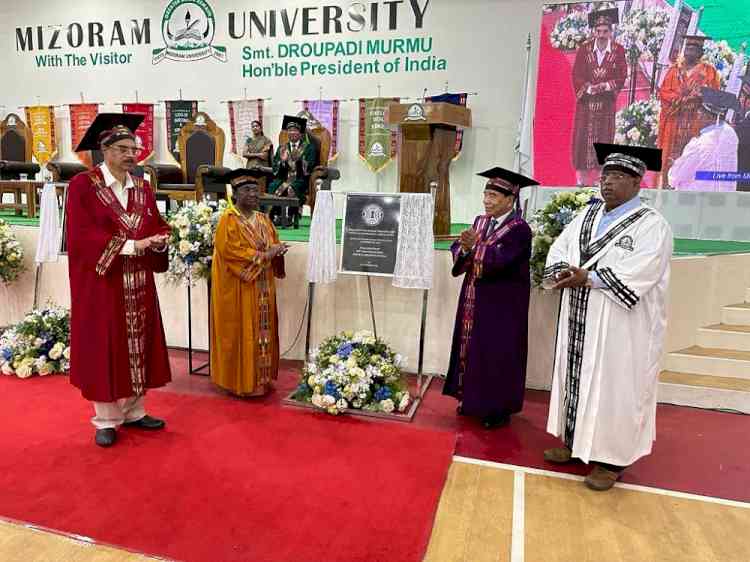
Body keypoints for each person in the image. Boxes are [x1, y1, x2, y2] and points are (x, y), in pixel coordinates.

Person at [542, 143, 672, 491]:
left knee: (615, 386)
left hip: (620, 324)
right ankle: (576, 442)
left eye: (618, 177)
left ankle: (611, 460)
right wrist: (560, 272)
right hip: (579, 315)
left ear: (636, 183)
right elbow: (560, 247)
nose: (608, 183)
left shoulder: (652, 226)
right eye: (605, 175)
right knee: (578, 377)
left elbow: (641, 272)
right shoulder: (586, 216)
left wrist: (589, 278)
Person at [66, 114, 172, 448]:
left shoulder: (142, 187)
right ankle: (107, 419)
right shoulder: (83, 186)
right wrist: (131, 245)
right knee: (106, 347)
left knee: (140, 344)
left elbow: (156, 223)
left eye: (134, 148)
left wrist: (162, 237)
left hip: (138, 283)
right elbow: (81, 236)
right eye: (124, 149)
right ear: (105, 150)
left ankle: (135, 411)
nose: (132, 155)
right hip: (103, 284)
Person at [442, 167, 536, 429]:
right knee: (471, 348)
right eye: (486, 194)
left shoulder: (519, 229)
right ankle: (470, 399)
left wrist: (474, 248)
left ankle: (497, 408)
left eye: (494, 196)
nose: (487, 200)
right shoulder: (480, 222)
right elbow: (460, 249)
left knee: (497, 353)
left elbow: (500, 260)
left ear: (510, 199)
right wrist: (464, 247)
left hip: (503, 305)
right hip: (474, 298)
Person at [210, 169, 288, 397]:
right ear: (235, 194)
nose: (254, 194)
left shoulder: (263, 219)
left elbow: (273, 243)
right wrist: (265, 255)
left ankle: (260, 380)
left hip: (262, 286)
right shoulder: (229, 219)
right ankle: (239, 383)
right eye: (247, 190)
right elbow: (230, 251)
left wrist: (278, 250)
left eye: (256, 190)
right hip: (238, 287)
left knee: (261, 331)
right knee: (240, 331)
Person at [571, 8, 628, 187]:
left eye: (605, 31)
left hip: (606, 104)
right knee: (582, 137)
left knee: (604, 137)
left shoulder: (618, 50)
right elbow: (576, 74)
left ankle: (600, 177)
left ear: (611, 32)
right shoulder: (584, 49)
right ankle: (581, 177)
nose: (602, 35)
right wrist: (587, 88)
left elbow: (622, 74)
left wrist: (606, 85)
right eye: (598, 31)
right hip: (586, 104)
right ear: (593, 32)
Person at [658, 35, 720, 187]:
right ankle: (666, 188)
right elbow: (664, 93)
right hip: (674, 123)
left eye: (694, 49)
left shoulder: (709, 72)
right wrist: (683, 98)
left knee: (692, 161)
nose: (689, 51)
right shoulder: (674, 70)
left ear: (701, 52)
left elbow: (714, 97)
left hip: (696, 123)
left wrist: (700, 95)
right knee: (669, 161)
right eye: (688, 48)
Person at [669, 88, 740, 191]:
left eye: (697, 112)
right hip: (726, 201)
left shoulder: (698, 144)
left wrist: (675, 164)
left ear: (705, 115)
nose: (696, 117)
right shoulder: (731, 135)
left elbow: (674, 178)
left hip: (699, 203)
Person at [268, 115, 317, 228]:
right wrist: (283, 162)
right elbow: (275, 166)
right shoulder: (282, 148)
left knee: (292, 188)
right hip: (283, 178)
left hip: (300, 179)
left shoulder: (309, 148)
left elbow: (310, 166)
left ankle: (290, 216)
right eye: (289, 130)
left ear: (300, 133)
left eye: (295, 130)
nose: (292, 133)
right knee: (273, 186)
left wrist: (299, 160)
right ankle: (275, 215)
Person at [242, 120, 272, 192]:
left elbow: (264, 156)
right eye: (253, 126)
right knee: (250, 189)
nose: (255, 128)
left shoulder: (266, 140)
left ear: (261, 128)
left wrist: (250, 154)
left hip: (261, 168)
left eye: (256, 126)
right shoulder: (249, 140)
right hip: (250, 167)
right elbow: (244, 154)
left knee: (260, 190)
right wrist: (258, 154)